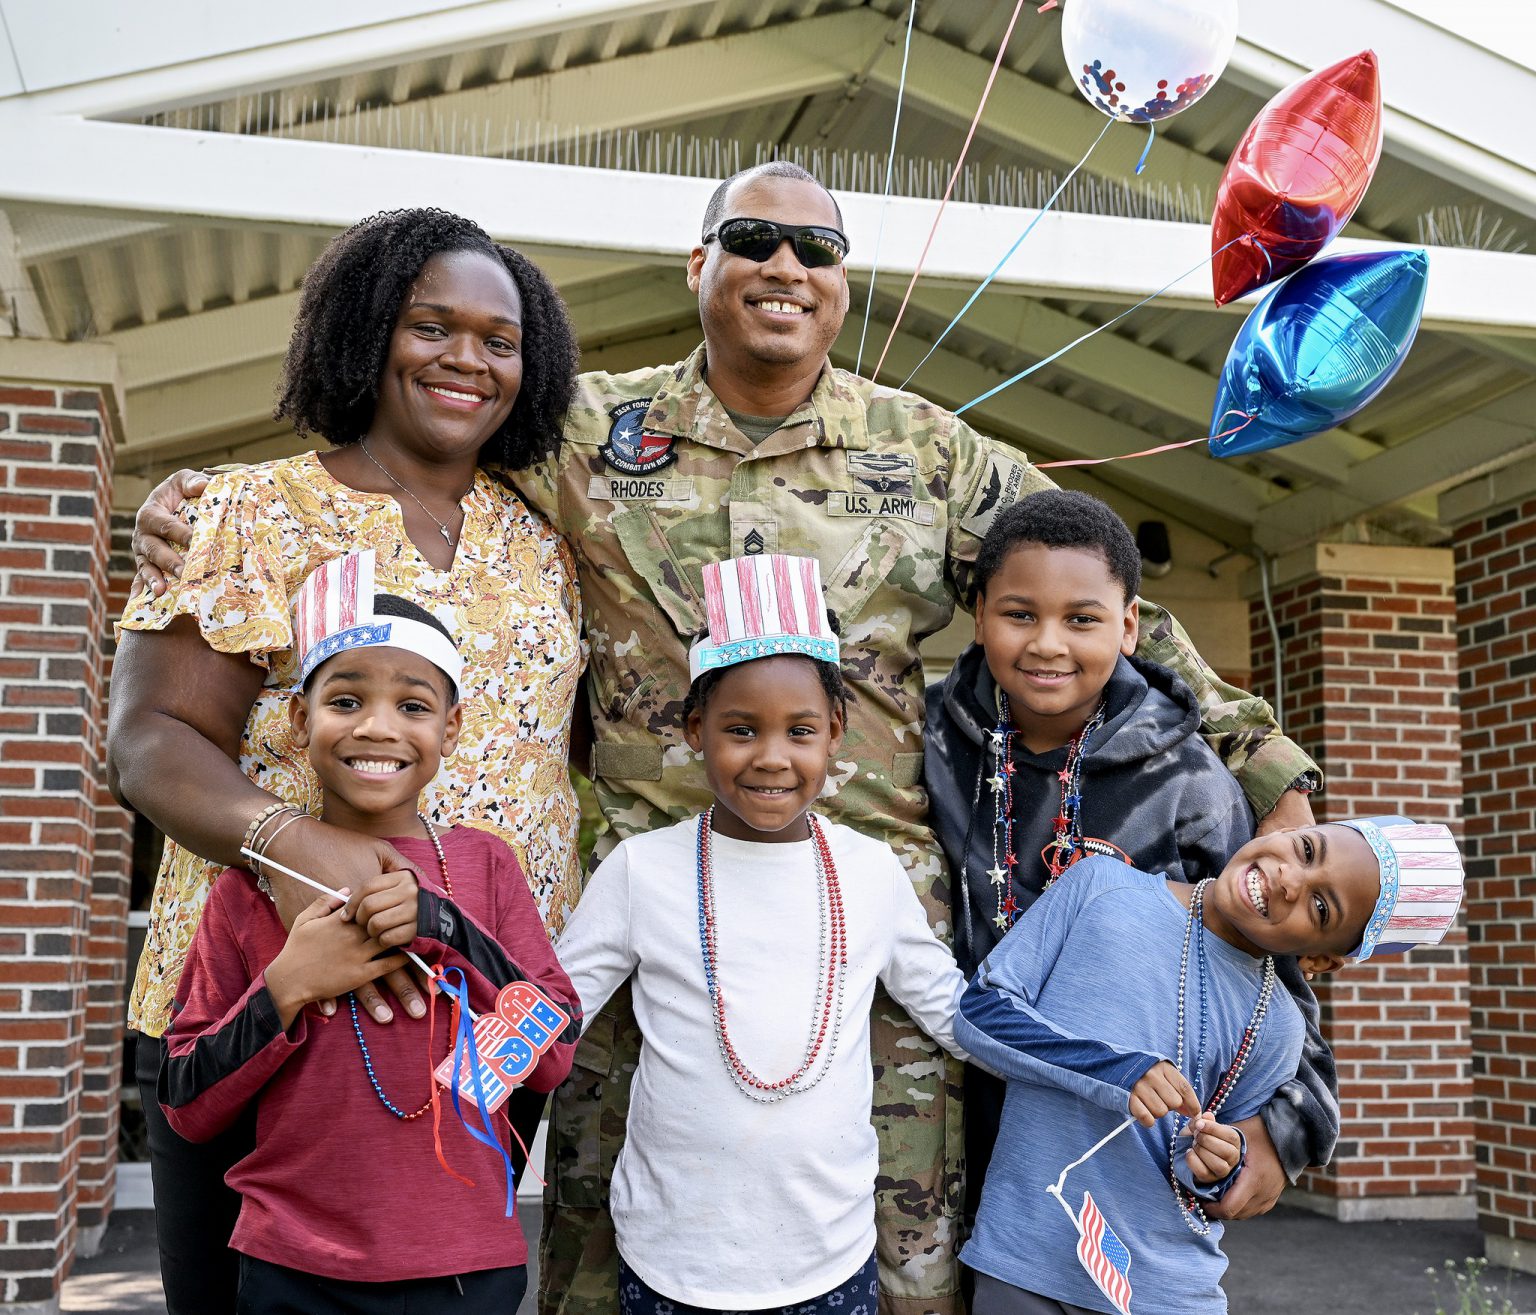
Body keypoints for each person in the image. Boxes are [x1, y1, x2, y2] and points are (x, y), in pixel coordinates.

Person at [128, 163, 1325, 1315]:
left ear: (847, 281)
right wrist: (204, 507)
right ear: (700, 263)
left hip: (869, 937)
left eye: (818, 247)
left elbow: (1108, 603)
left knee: (902, 1260)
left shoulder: (928, 455)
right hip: (645, 925)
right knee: (597, 1248)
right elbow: (406, 432)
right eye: (753, 239)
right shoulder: (581, 434)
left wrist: (1267, 763)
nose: (785, 265)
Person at [107, 208, 583, 1313]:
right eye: (431, 325)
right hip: (269, 1011)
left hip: (473, 1021)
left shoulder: (546, 544)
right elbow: (149, 741)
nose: (466, 357)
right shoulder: (244, 511)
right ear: (369, 332)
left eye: (499, 339)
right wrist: (305, 847)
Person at [553, 553, 973, 1313]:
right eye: (741, 729)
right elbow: (552, 1009)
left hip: (827, 1256)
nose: (772, 756)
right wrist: (447, 1078)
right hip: (670, 1255)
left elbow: (953, 1011)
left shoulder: (871, 871)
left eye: (800, 730)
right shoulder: (641, 870)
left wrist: (1090, 1059)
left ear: (835, 733)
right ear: (695, 730)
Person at [160, 564, 582, 1313]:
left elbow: (550, 1052)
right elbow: (187, 1099)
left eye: (412, 704)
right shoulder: (248, 890)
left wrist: (444, 927)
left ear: (450, 728)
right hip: (292, 1270)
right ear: (299, 721)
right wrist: (288, 984)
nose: (377, 726)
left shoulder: (484, 866)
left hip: (462, 1269)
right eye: (346, 700)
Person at [922, 490, 1335, 1236]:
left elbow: (1275, 987)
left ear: (1131, 624)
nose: (1049, 643)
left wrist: (1283, 1133)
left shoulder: (1189, 786)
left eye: (1082, 618)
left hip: (1113, 1160)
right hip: (940, 1134)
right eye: (1021, 614)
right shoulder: (925, 746)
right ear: (978, 612)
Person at [954, 816, 1464, 1314]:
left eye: (1321, 907)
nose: (1290, 880)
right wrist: (1114, 1071)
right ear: (1285, 830)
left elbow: (1208, 1173)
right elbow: (980, 1013)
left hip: (1167, 1289)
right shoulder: (1100, 885)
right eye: (1307, 851)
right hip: (1026, 1259)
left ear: (1320, 961)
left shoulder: (1277, 1026)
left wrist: (1219, 1161)